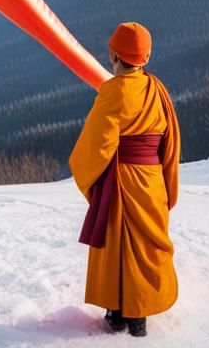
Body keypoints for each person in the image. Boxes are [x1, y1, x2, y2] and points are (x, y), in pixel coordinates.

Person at [69, 22, 181, 338]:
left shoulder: (113, 91)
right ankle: (140, 312)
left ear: (115, 56)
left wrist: (85, 171)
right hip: (153, 179)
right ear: (144, 57)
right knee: (147, 246)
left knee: (117, 244)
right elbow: (169, 142)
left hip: (122, 179)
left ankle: (118, 312)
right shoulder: (158, 88)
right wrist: (167, 181)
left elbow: (96, 146)